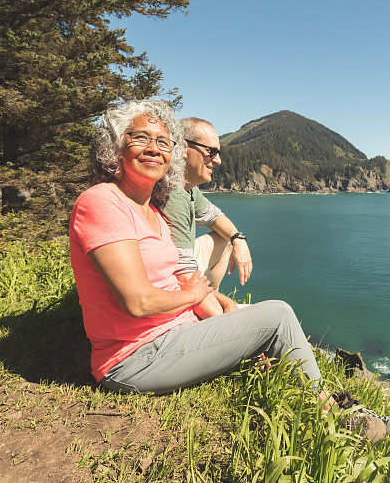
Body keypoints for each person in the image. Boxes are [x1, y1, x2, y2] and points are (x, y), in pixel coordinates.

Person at [68, 99, 327, 397]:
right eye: (140, 138)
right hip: (134, 357)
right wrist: (197, 294)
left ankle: (304, 390)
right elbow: (137, 302)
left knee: (259, 318)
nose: (154, 148)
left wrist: (212, 294)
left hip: (176, 332)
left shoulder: (151, 211)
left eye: (164, 143)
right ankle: (328, 408)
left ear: (173, 155)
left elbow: (169, 278)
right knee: (278, 314)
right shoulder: (102, 201)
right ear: (115, 146)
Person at [158, 117, 252, 318]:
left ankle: (211, 298)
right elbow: (183, 273)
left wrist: (239, 239)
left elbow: (215, 217)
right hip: (175, 279)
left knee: (226, 239)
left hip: (182, 268)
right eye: (211, 152)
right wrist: (228, 324)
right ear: (183, 148)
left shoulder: (188, 188)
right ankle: (206, 313)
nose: (217, 160)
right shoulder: (173, 194)